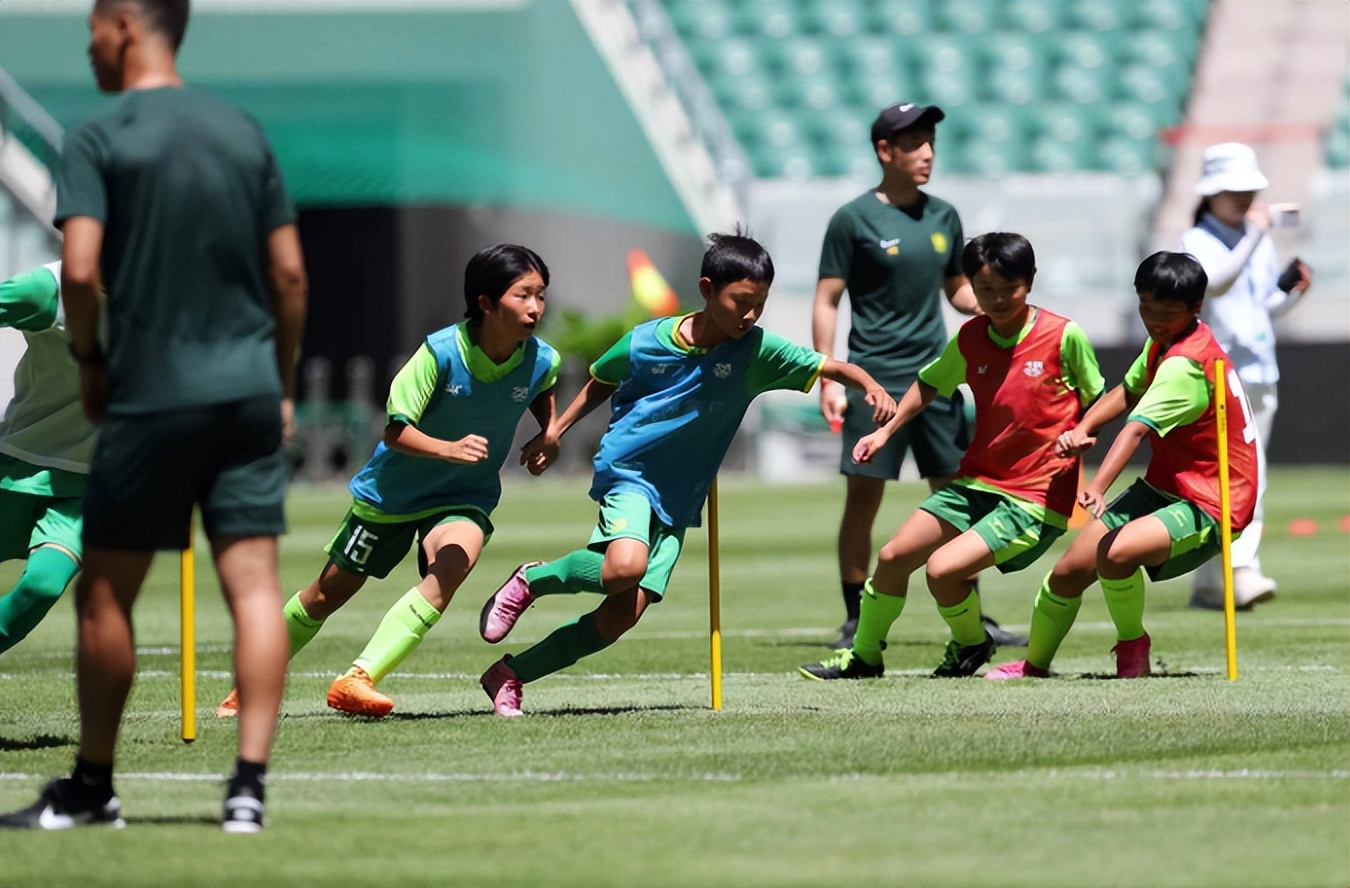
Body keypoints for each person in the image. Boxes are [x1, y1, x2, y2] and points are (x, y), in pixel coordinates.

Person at [0, 0, 307, 833]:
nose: (90, 44)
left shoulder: (100, 136)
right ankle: (247, 790)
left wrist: (95, 362)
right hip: (244, 388)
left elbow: (81, 268)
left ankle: (93, 788)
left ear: (127, 24)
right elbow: (289, 278)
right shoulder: (242, 131)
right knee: (253, 589)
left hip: (150, 391)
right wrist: (278, 387)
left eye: (93, 27)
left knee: (104, 596)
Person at [474, 232, 897, 716]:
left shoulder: (757, 352)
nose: (750, 315)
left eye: (759, 304)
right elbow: (601, 380)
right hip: (630, 472)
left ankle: (510, 675)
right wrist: (556, 432)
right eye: (741, 301)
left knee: (618, 617)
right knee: (623, 569)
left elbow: (828, 365)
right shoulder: (647, 341)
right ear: (707, 288)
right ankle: (533, 580)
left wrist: (869, 384)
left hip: (680, 496)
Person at [214, 245, 560, 719]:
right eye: (524, 295)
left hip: (464, 495)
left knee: (453, 566)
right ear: (485, 301)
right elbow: (395, 431)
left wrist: (550, 432)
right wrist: (450, 448)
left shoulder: (542, 358)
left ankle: (359, 678)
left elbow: (541, 386)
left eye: (541, 295)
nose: (536, 308)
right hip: (392, 495)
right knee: (324, 596)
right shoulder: (439, 353)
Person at [799, 233, 1103, 681]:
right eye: (986, 290)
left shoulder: (1063, 335)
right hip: (977, 483)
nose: (998, 300)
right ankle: (865, 657)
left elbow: (1101, 397)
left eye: (1009, 288)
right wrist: (886, 431)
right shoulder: (971, 337)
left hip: (1034, 497)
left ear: (1030, 282)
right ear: (972, 290)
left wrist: (1084, 431)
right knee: (893, 555)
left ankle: (969, 643)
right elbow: (928, 384)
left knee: (942, 571)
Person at [986, 252, 1259, 680]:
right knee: (1067, 574)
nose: (1153, 319)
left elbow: (1134, 429)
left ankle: (1133, 648)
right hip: (1167, 485)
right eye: (1145, 306)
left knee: (1115, 554)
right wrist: (1084, 426)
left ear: (1196, 308)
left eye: (1166, 313)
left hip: (1213, 499)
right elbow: (1129, 392)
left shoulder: (1185, 366)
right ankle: (1033, 667)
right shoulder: (1165, 340)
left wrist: (1097, 486)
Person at [813, 102, 1025, 650]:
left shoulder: (944, 216)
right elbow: (827, 298)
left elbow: (956, 289)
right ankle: (855, 616)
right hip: (874, 378)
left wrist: (990, 307)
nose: (928, 152)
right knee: (864, 498)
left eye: (931, 142)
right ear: (885, 151)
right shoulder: (852, 219)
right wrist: (828, 375)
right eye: (915, 143)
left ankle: (973, 616)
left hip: (938, 377)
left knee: (956, 494)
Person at [1180, 142, 1311, 611]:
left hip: (1259, 368)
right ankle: (1240, 571)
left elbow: (1261, 306)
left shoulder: (1255, 239)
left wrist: (1293, 292)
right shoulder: (1196, 240)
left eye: (1248, 190)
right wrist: (1256, 236)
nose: (1242, 199)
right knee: (1233, 475)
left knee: (1241, 475)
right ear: (1210, 194)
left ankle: (1212, 582)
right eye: (1232, 190)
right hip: (1217, 373)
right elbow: (1215, 283)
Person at [0, 263, 98, 654]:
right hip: (18, 467)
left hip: (90, 485)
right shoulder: (44, 291)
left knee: (42, 586)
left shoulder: (160, 297)